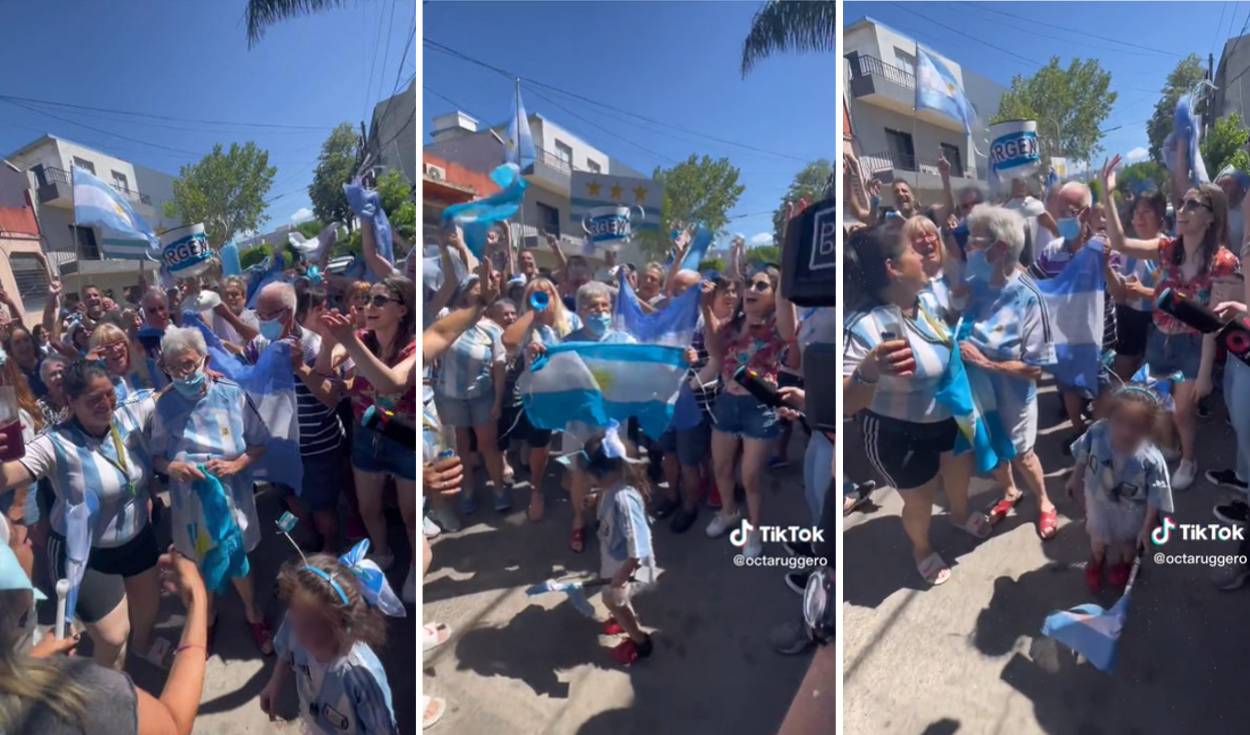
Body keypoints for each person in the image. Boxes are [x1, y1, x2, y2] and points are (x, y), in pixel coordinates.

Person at [844, 222, 991, 586]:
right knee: (921, 501)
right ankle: (922, 548)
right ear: (893, 268)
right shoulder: (864, 326)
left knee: (960, 477)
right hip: (898, 435)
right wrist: (870, 369)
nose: (923, 253)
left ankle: (959, 514)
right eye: (913, 249)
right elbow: (845, 404)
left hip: (946, 416)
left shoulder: (926, 301)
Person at [0, 360, 159, 669]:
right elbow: (7, 478)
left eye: (109, 394)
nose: (106, 404)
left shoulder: (128, 414)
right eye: (94, 400)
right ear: (71, 402)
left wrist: (205, 371)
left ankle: (143, 645)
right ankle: (103, 694)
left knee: (148, 611)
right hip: (84, 554)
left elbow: (167, 392)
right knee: (113, 638)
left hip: (137, 540)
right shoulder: (53, 443)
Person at [1102, 153, 1238, 490]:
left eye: (1192, 205)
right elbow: (1120, 243)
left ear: (1211, 217)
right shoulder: (1166, 248)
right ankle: (1174, 447)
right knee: (1160, 406)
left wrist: (1206, 373)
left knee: (1182, 412)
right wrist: (1107, 194)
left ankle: (1189, 459)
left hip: (1195, 346)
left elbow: (1214, 324)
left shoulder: (1223, 262)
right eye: (1181, 204)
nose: (1182, 210)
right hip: (1159, 339)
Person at [0, 540, 210, 735]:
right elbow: (173, 725)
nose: (27, 541)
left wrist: (33, 660)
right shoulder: (78, 699)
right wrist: (197, 597)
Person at [150, 326, 273, 655]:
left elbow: (259, 443)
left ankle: (252, 612)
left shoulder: (231, 393)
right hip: (189, 499)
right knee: (200, 557)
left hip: (231, 493)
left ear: (205, 359)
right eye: (174, 368)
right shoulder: (164, 405)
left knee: (236, 556)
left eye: (189, 364)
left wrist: (237, 464)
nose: (183, 374)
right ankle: (208, 615)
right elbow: (157, 456)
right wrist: (171, 468)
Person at [960, 204, 1060, 540]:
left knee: (1021, 453)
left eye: (973, 243)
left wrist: (986, 363)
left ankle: (1045, 501)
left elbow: (1035, 368)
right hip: (976, 396)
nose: (967, 249)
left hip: (1014, 396)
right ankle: (1009, 492)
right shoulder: (972, 285)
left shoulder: (1030, 297)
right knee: (991, 445)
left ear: (999, 248)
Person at [321, 277, 418, 600]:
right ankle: (383, 552)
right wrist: (327, 339)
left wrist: (350, 342)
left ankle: (417, 566)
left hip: (405, 436)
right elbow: (323, 368)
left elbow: (392, 383)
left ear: (402, 310)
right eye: (368, 300)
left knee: (409, 513)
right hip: (366, 433)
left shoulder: (415, 347)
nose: (369, 307)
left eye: (380, 300)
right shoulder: (360, 337)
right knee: (368, 506)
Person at [704, 265, 793, 556]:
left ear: (775, 295)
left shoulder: (778, 326)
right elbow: (715, 351)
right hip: (728, 403)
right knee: (721, 468)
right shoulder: (732, 323)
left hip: (759, 408)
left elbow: (789, 324)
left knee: (751, 477)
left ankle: (754, 531)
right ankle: (729, 512)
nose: (751, 290)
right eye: (750, 284)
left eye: (761, 285)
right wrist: (707, 310)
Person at [260, 551, 400, 734]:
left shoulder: (360, 678)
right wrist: (275, 682)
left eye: (309, 625)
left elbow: (382, 729)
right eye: (293, 614)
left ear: (339, 627)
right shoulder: (296, 623)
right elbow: (286, 646)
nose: (297, 631)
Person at [1066, 387, 1172, 593]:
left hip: (1131, 510)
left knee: (1127, 545)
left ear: (1149, 429)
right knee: (1097, 540)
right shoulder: (1097, 431)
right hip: (1098, 502)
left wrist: (1147, 526)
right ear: (1109, 416)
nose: (1125, 431)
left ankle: (1125, 566)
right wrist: (1075, 476)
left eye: (1136, 426)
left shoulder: (1151, 460)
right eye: (1119, 421)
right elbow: (1083, 452)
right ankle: (1097, 562)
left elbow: (1156, 496)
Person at [500, 277, 581, 523]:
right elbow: (508, 341)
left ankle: (572, 476)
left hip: (570, 391)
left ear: (555, 295)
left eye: (547, 292)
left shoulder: (571, 321)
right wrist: (530, 316)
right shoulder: (526, 325)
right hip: (539, 395)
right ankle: (536, 490)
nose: (543, 297)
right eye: (535, 294)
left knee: (575, 438)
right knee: (540, 446)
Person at [432, 274, 512, 520]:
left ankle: (498, 489)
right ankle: (467, 489)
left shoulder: (491, 329)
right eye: (476, 288)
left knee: (488, 445)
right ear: (464, 291)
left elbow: (499, 369)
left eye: (484, 290)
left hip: (482, 396)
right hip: (449, 396)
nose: (480, 292)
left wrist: (498, 401)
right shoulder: (444, 319)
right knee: (460, 448)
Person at [580, 429, 659, 666]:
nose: (590, 479)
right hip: (615, 556)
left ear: (609, 471)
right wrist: (596, 499)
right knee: (614, 601)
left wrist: (622, 576)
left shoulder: (624, 500)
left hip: (628, 566)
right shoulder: (612, 487)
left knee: (612, 600)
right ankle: (623, 615)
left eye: (593, 475)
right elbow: (606, 493)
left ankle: (640, 641)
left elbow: (640, 544)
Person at [1112, 191, 1168, 382]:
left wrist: (1143, 292)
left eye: (1146, 212)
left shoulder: (1168, 249)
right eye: (1136, 213)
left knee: (1152, 379)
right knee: (1122, 374)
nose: (1139, 218)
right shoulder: (1126, 249)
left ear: (1160, 216)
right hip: (1127, 317)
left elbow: (1179, 296)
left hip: (1156, 324)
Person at [209, 276, 260, 347]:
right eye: (226, 295)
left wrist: (227, 315)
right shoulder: (215, 316)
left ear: (244, 297)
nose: (230, 298)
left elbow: (256, 338)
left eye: (234, 294)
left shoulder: (253, 315)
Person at [6, 325, 47, 399]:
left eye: (26, 340)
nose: (24, 346)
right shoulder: (12, 378)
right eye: (17, 343)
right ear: (10, 350)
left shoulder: (47, 366)